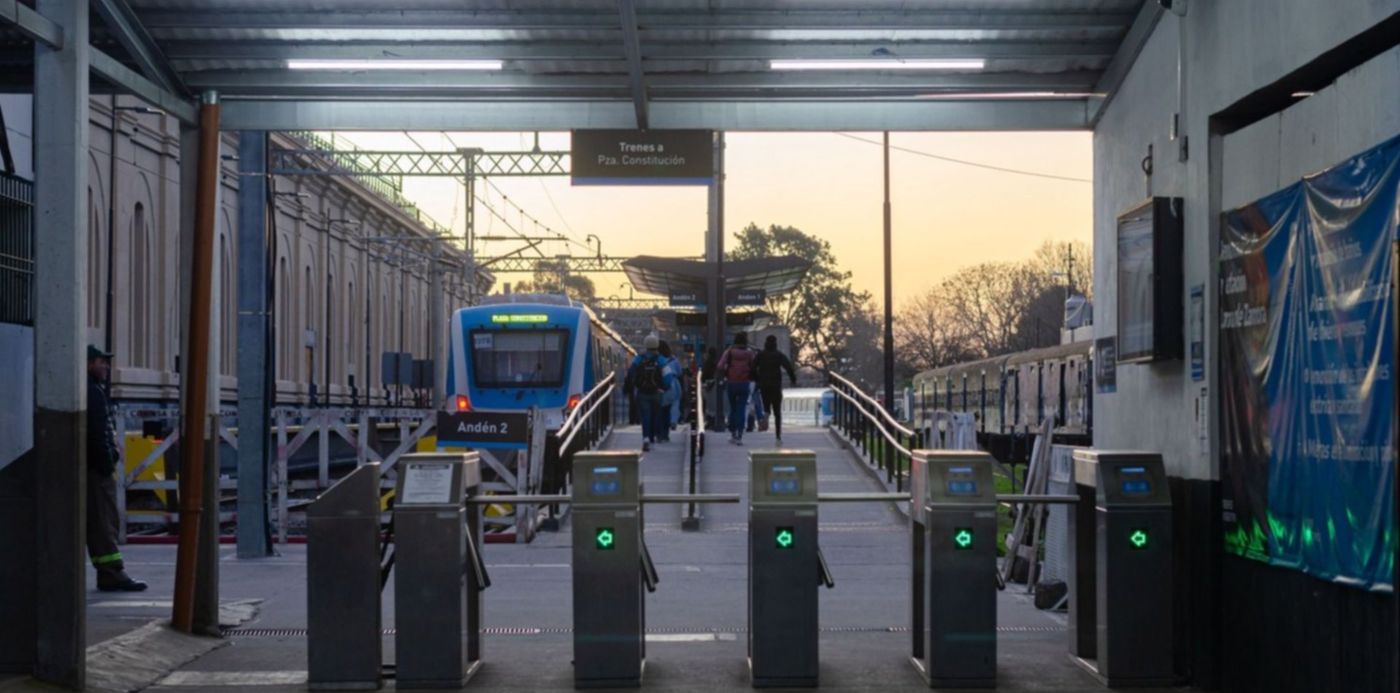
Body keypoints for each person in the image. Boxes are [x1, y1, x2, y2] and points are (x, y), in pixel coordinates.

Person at [86, 345, 147, 592]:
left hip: (92, 468)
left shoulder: (91, 390)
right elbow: (97, 434)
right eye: (102, 362)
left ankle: (109, 572)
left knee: (100, 522)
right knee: (103, 523)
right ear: (89, 364)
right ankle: (111, 573)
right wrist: (108, 461)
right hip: (96, 472)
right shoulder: (93, 392)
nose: (106, 367)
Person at [625, 335, 674, 452]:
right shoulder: (661, 360)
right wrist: (664, 388)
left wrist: (634, 385)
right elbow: (668, 376)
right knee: (656, 415)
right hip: (657, 392)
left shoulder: (639, 358)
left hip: (642, 392)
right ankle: (653, 438)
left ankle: (646, 437)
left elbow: (631, 372)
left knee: (645, 416)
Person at [754, 335, 798, 445]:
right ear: (775, 343)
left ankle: (766, 414)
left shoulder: (761, 355)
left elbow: (752, 367)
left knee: (766, 406)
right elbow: (788, 367)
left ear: (765, 343)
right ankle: (778, 437)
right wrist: (793, 379)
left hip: (764, 385)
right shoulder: (779, 355)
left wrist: (757, 379)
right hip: (776, 385)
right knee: (777, 412)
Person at [717, 332, 758, 445]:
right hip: (744, 383)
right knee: (741, 408)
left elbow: (720, 366)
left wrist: (727, 371)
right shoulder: (749, 353)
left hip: (731, 383)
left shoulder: (729, 352)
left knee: (733, 408)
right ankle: (740, 434)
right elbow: (755, 366)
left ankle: (733, 433)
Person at [657, 340, 682, 443]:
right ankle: (670, 425)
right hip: (673, 383)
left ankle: (659, 433)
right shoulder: (673, 359)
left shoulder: (657, 360)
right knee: (672, 405)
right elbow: (679, 372)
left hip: (659, 385)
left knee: (660, 410)